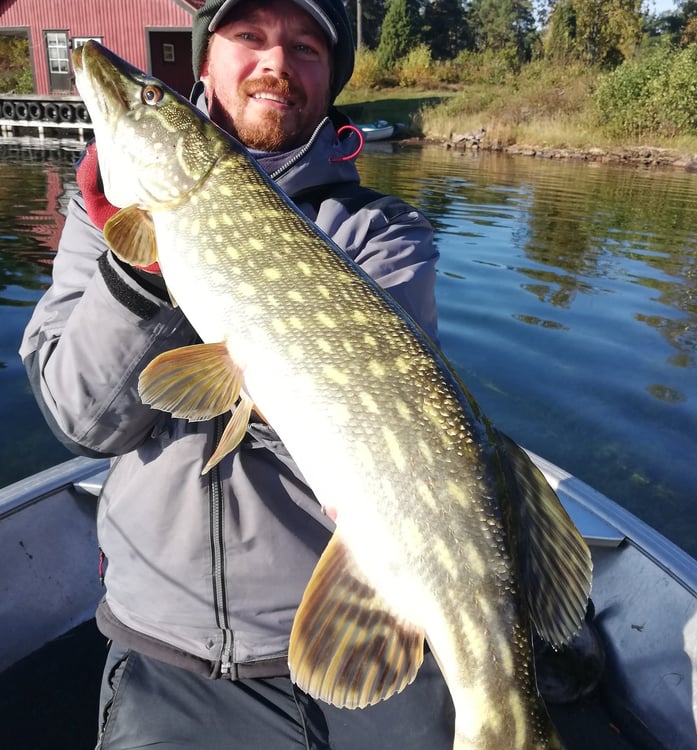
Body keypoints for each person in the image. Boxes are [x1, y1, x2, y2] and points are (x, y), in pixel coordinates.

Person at [19, 0, 451, 748]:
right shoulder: (104, 213)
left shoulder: (381, 232)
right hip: (172, 649)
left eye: (306, 48)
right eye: (249, 37)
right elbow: (82, 421)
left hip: (361, 624)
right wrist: (139, 278)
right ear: (207, 61)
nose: (276, 63)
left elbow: (390, 429)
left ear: (330, 77)